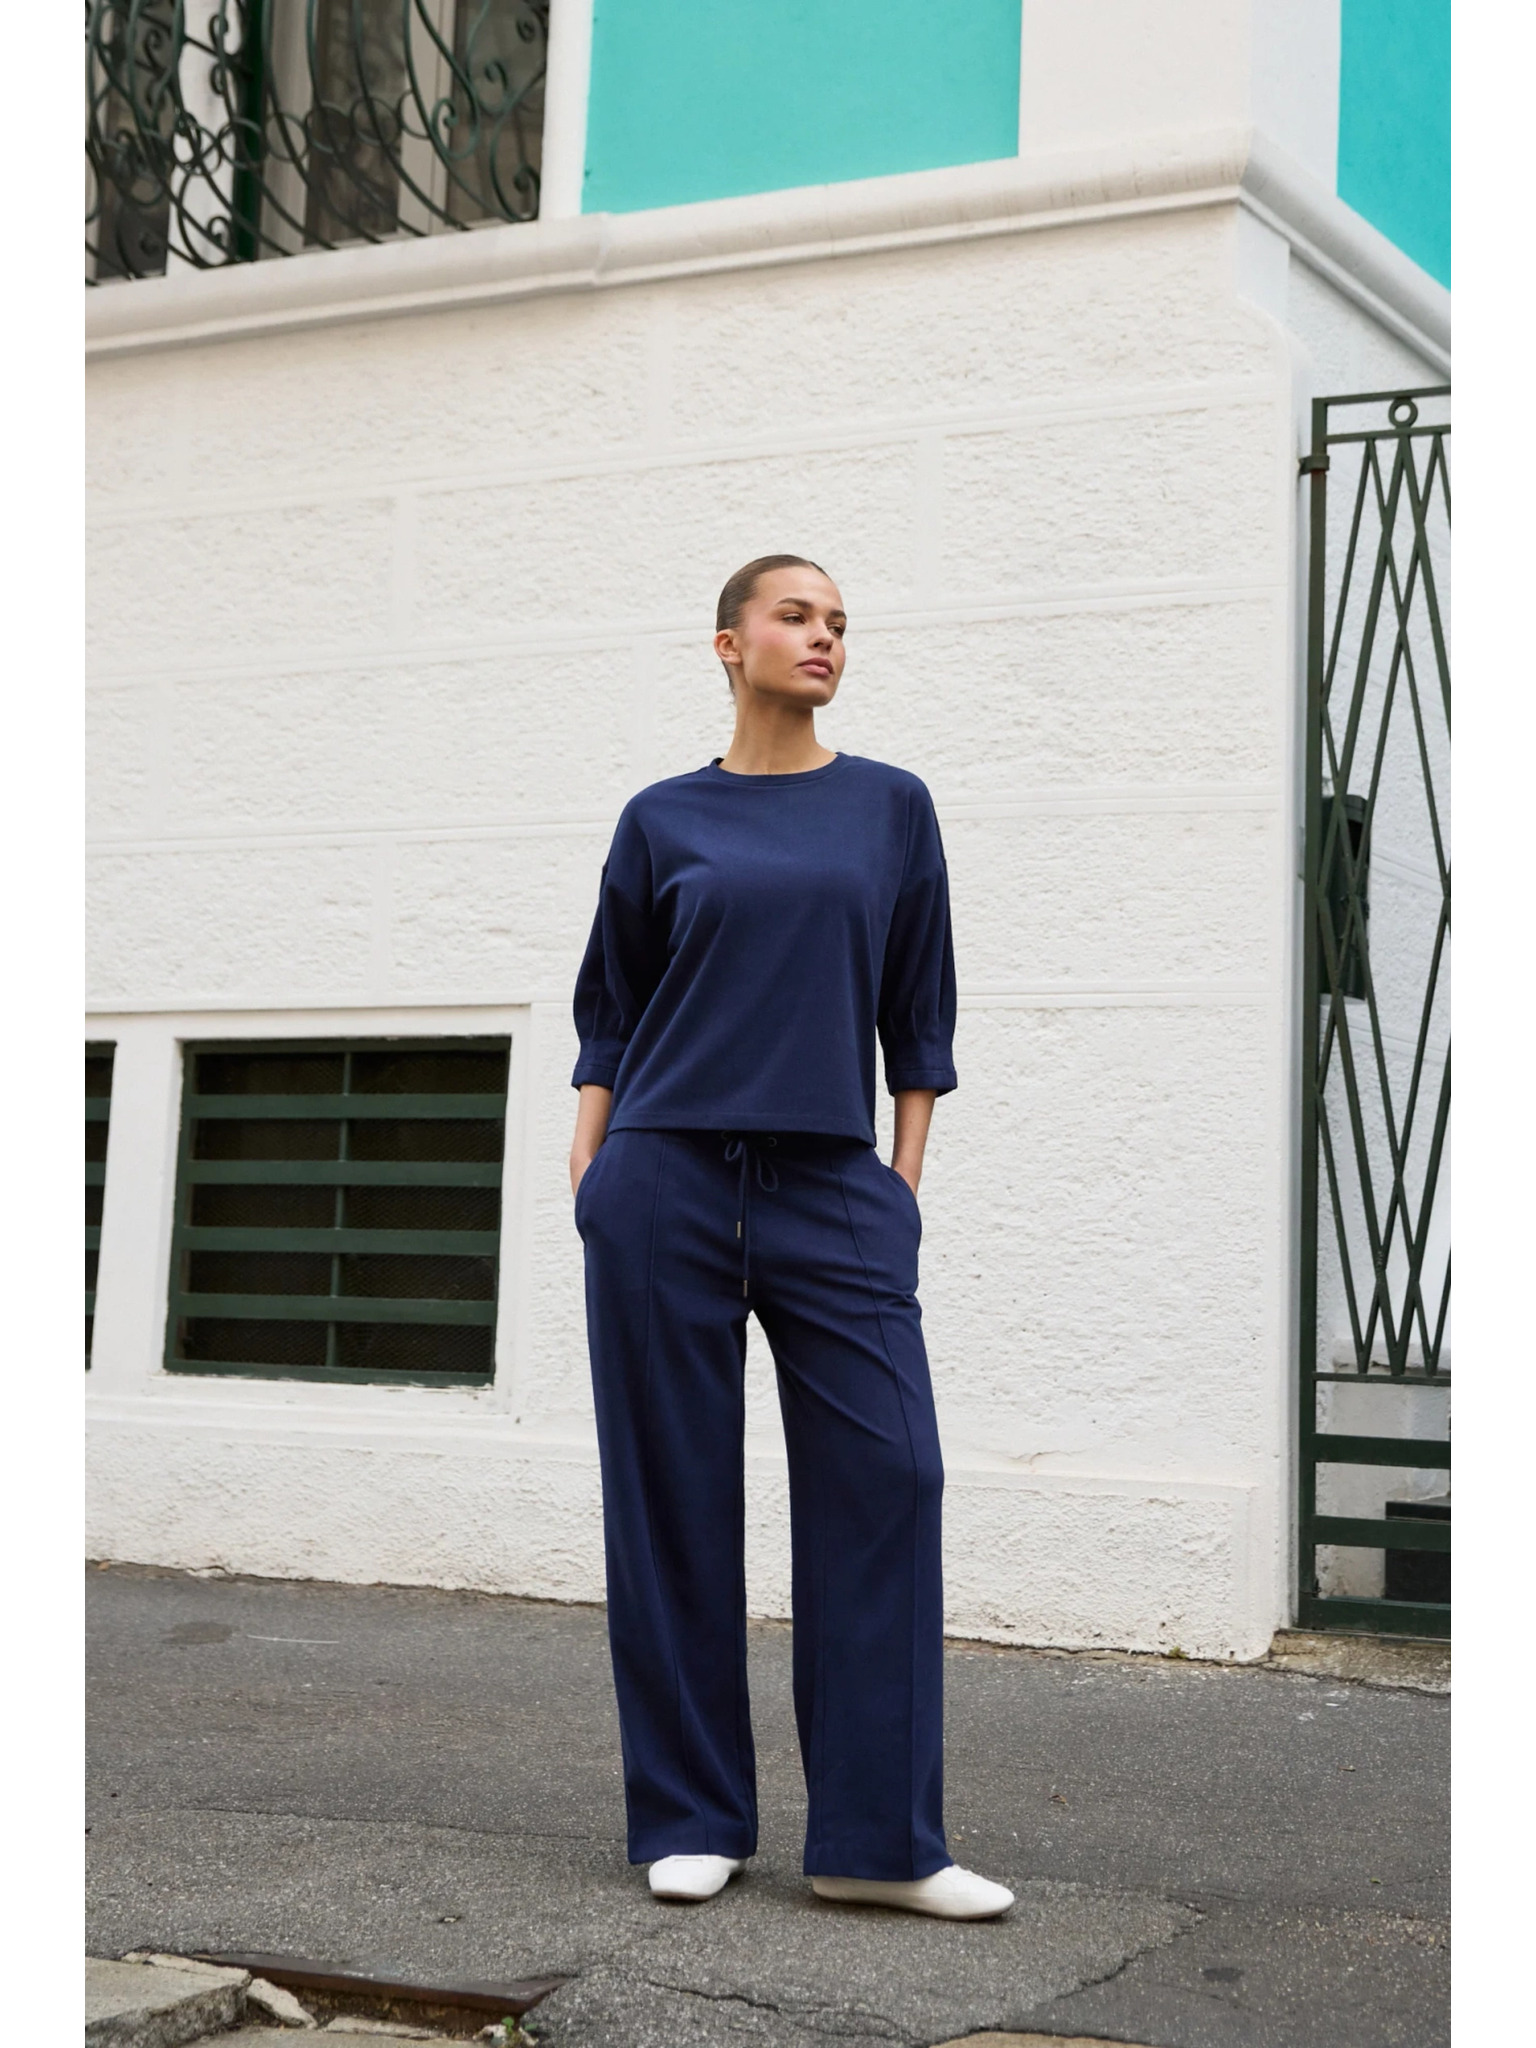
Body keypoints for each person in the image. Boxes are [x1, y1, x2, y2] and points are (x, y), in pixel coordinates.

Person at [568, 554, 1013, 1921]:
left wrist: (902, 1184)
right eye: (796, 616)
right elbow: (612, 1008)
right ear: (728, 642)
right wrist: (593, 1164)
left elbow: (918, 1012)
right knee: (673, 1498)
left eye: (838, 624)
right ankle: (691, 1815)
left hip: (834, 1186)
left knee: (893, 1478)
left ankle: (878, 1844)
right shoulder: (662, 817)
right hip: (664, 1180)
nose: (824, 638)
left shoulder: (889, 806)